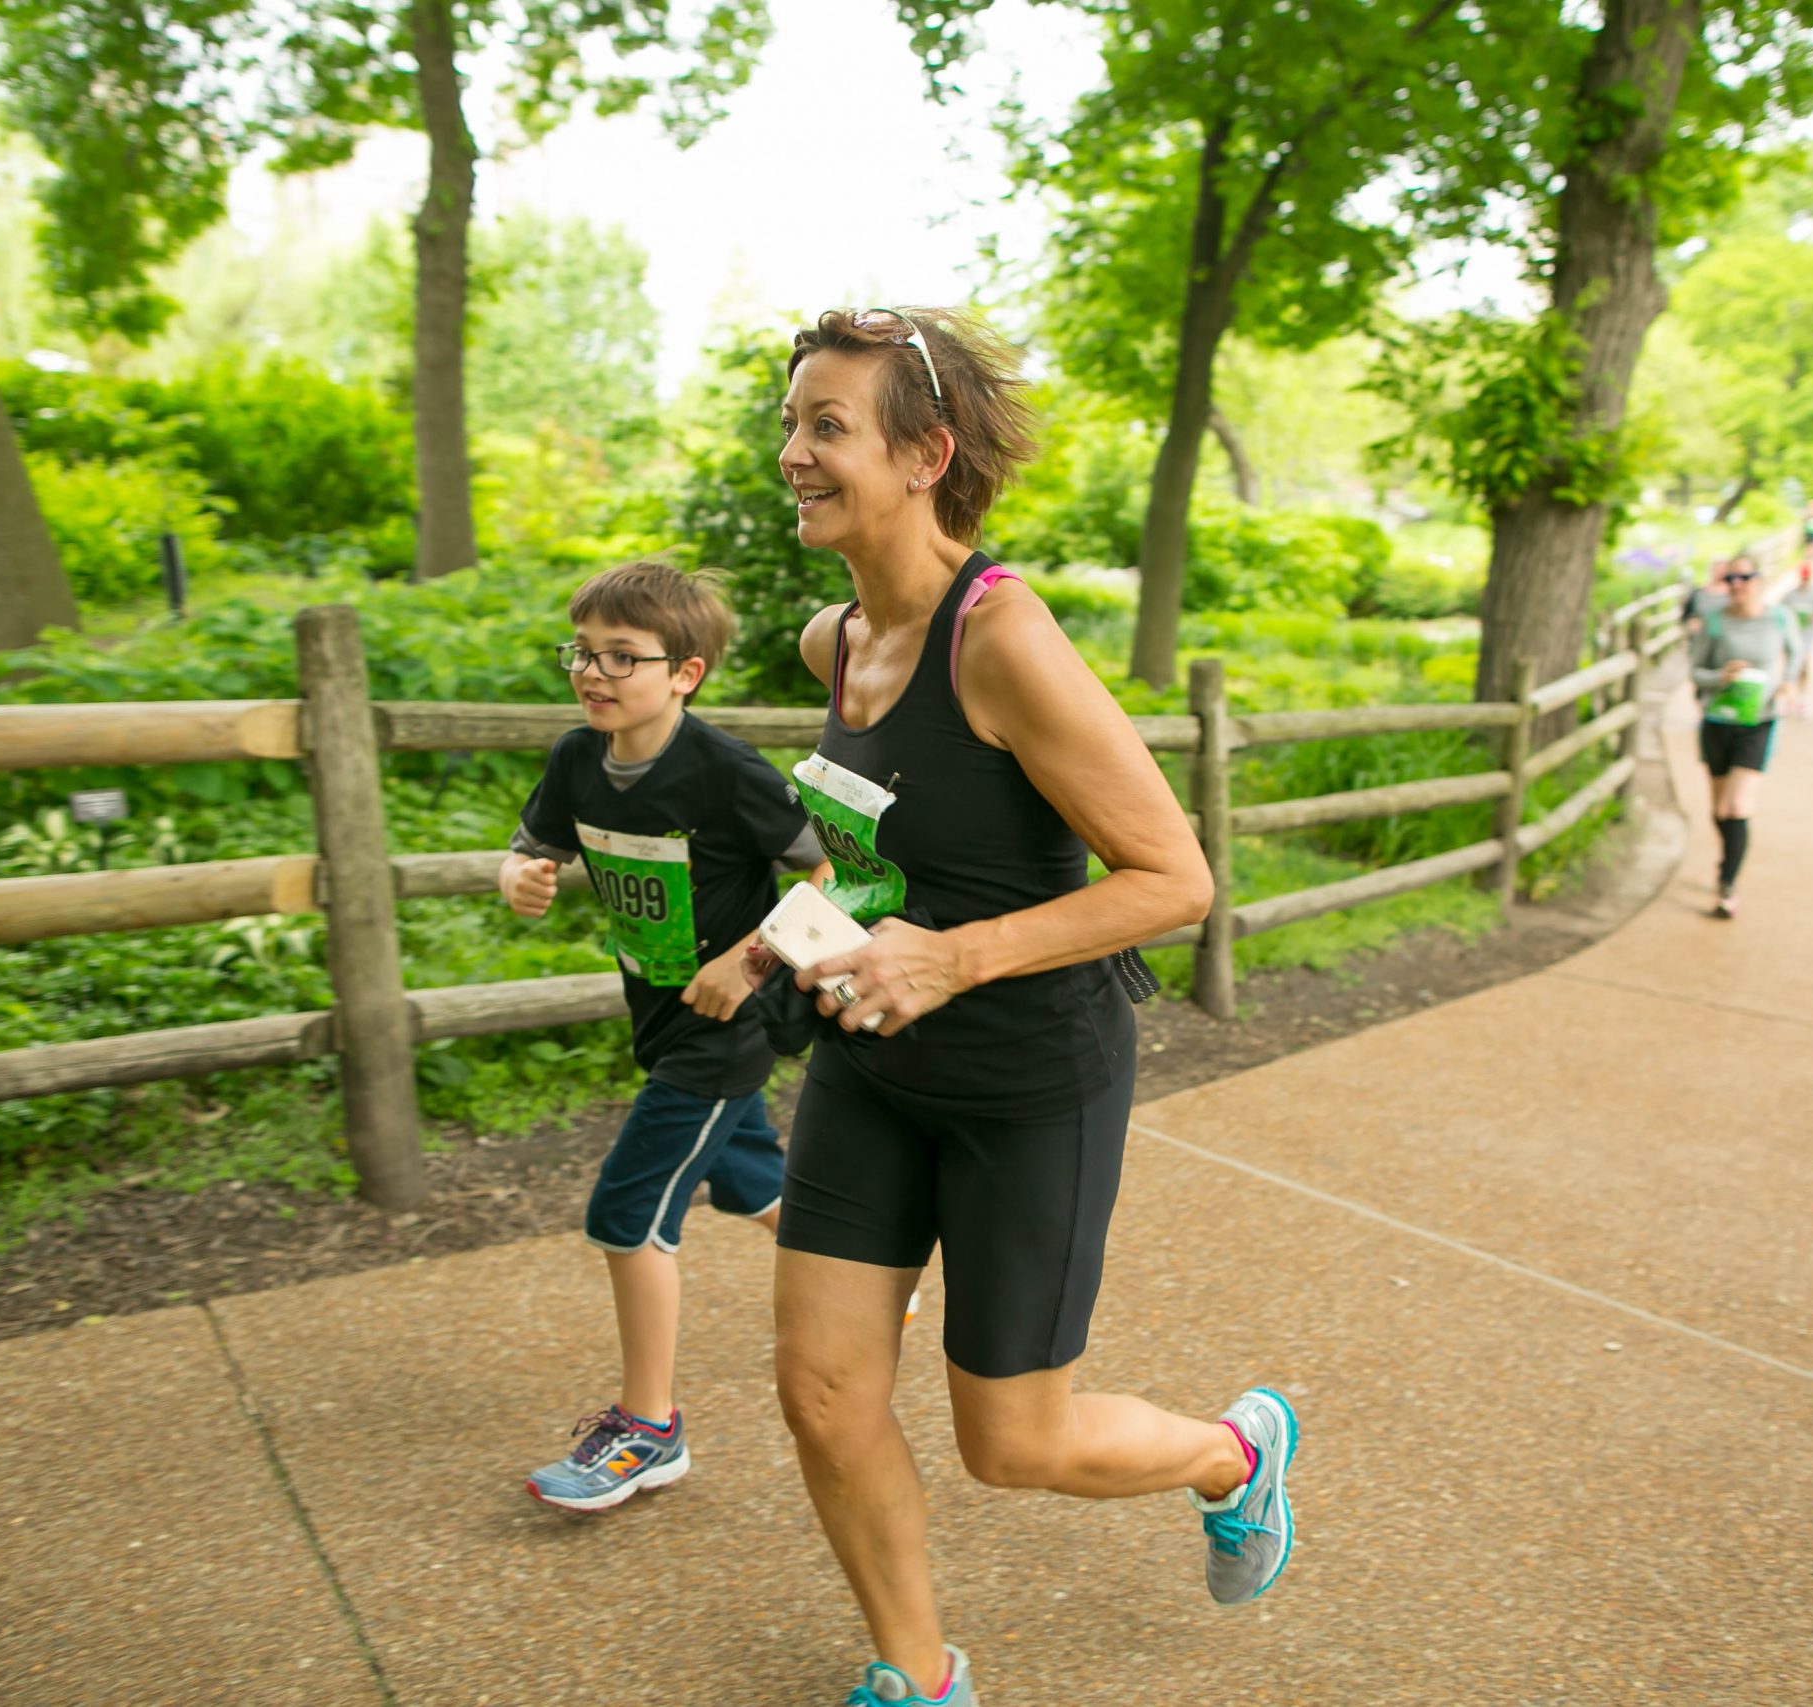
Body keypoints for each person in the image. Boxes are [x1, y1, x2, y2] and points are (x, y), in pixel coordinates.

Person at [762, 308, 1292, 1707]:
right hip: (873, 1064)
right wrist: (803, 925)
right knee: (820, 1388)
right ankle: (918, 1671)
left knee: (1014, 1440)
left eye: (829, 426)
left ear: (927, 453)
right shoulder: (836, 639)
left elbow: (1175, 877)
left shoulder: (1001, 635)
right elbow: (880, 844)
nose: (794, 454)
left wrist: (949, 956)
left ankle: (1234, 1453)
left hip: (1025, 1079)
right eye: (792, 422)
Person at [504, 560, 826, 1514]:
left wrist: (750, 961)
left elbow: (831, 879)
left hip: (727, 1027)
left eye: (622, 657)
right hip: (657, 1015)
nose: (594, 673)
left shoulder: (726, 771)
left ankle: (650, 1429)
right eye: (583, 652)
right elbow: (536, 846)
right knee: (749, 1180)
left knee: (627, 1215)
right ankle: (878, 1274)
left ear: (685, 672)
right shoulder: (576, 758)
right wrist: (518, 875)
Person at [1690, 561, 1802, 919]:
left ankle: (1727, 886)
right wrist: (1719, 676)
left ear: (1759, 581)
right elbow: (1694, 670)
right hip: (1718, 719)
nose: (1738, 585)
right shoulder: (1714, 621)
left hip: (1760, 720)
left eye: (1745, 578)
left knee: (1735, 806)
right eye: (1731, 579)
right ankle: (1728, 859)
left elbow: (1797, 654)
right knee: (1719, 808)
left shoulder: (1780, 619)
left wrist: (1788, 683)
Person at [1779, 562, 1813, 703]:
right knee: (1791, 666)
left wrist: (1812, 617)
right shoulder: (1790, 595)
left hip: (1807, 635)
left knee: (1805, 666)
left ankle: (1802, 697)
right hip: (1792, 635)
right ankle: (1789, 695)